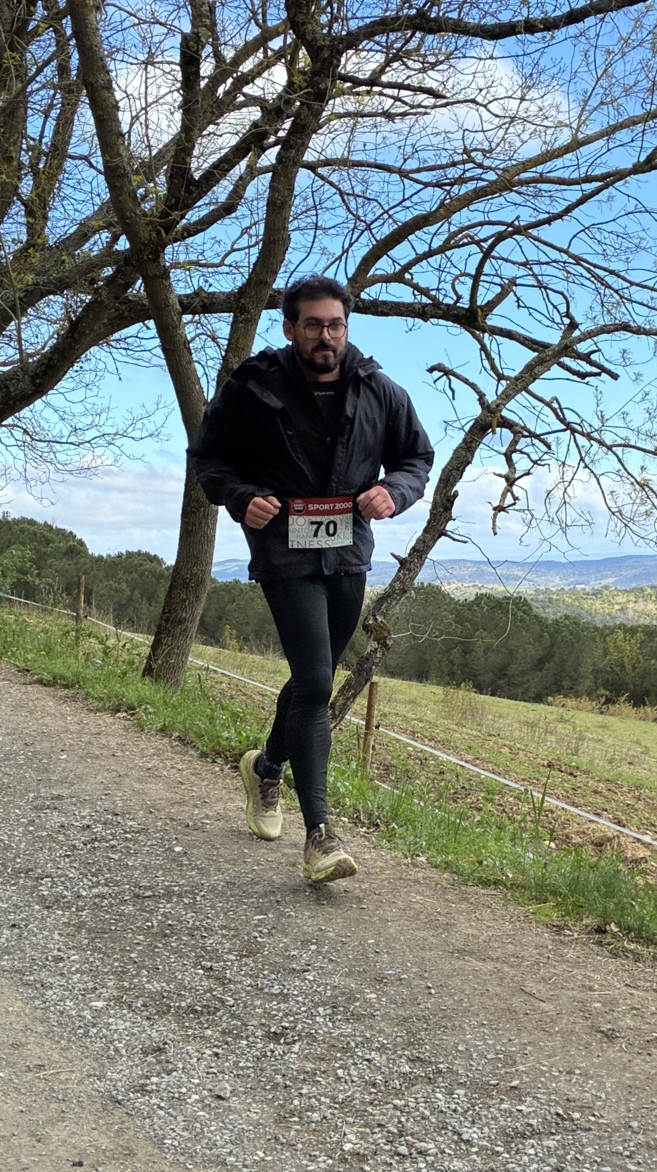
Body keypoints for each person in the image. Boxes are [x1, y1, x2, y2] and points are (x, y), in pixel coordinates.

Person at [189, 275, 434, 883]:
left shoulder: (380, 390)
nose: (326, 336)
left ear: (346, 327)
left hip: (348, 552)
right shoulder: (253, 388)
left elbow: (416, 458)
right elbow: (208, 458)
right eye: (314, 325)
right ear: (290, 327)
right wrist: (240, 496)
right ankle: (320, 834)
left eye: (336, 325)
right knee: (318, 680)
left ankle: (266, 768)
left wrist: (394, 492)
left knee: (308, 679)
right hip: (284, 550)